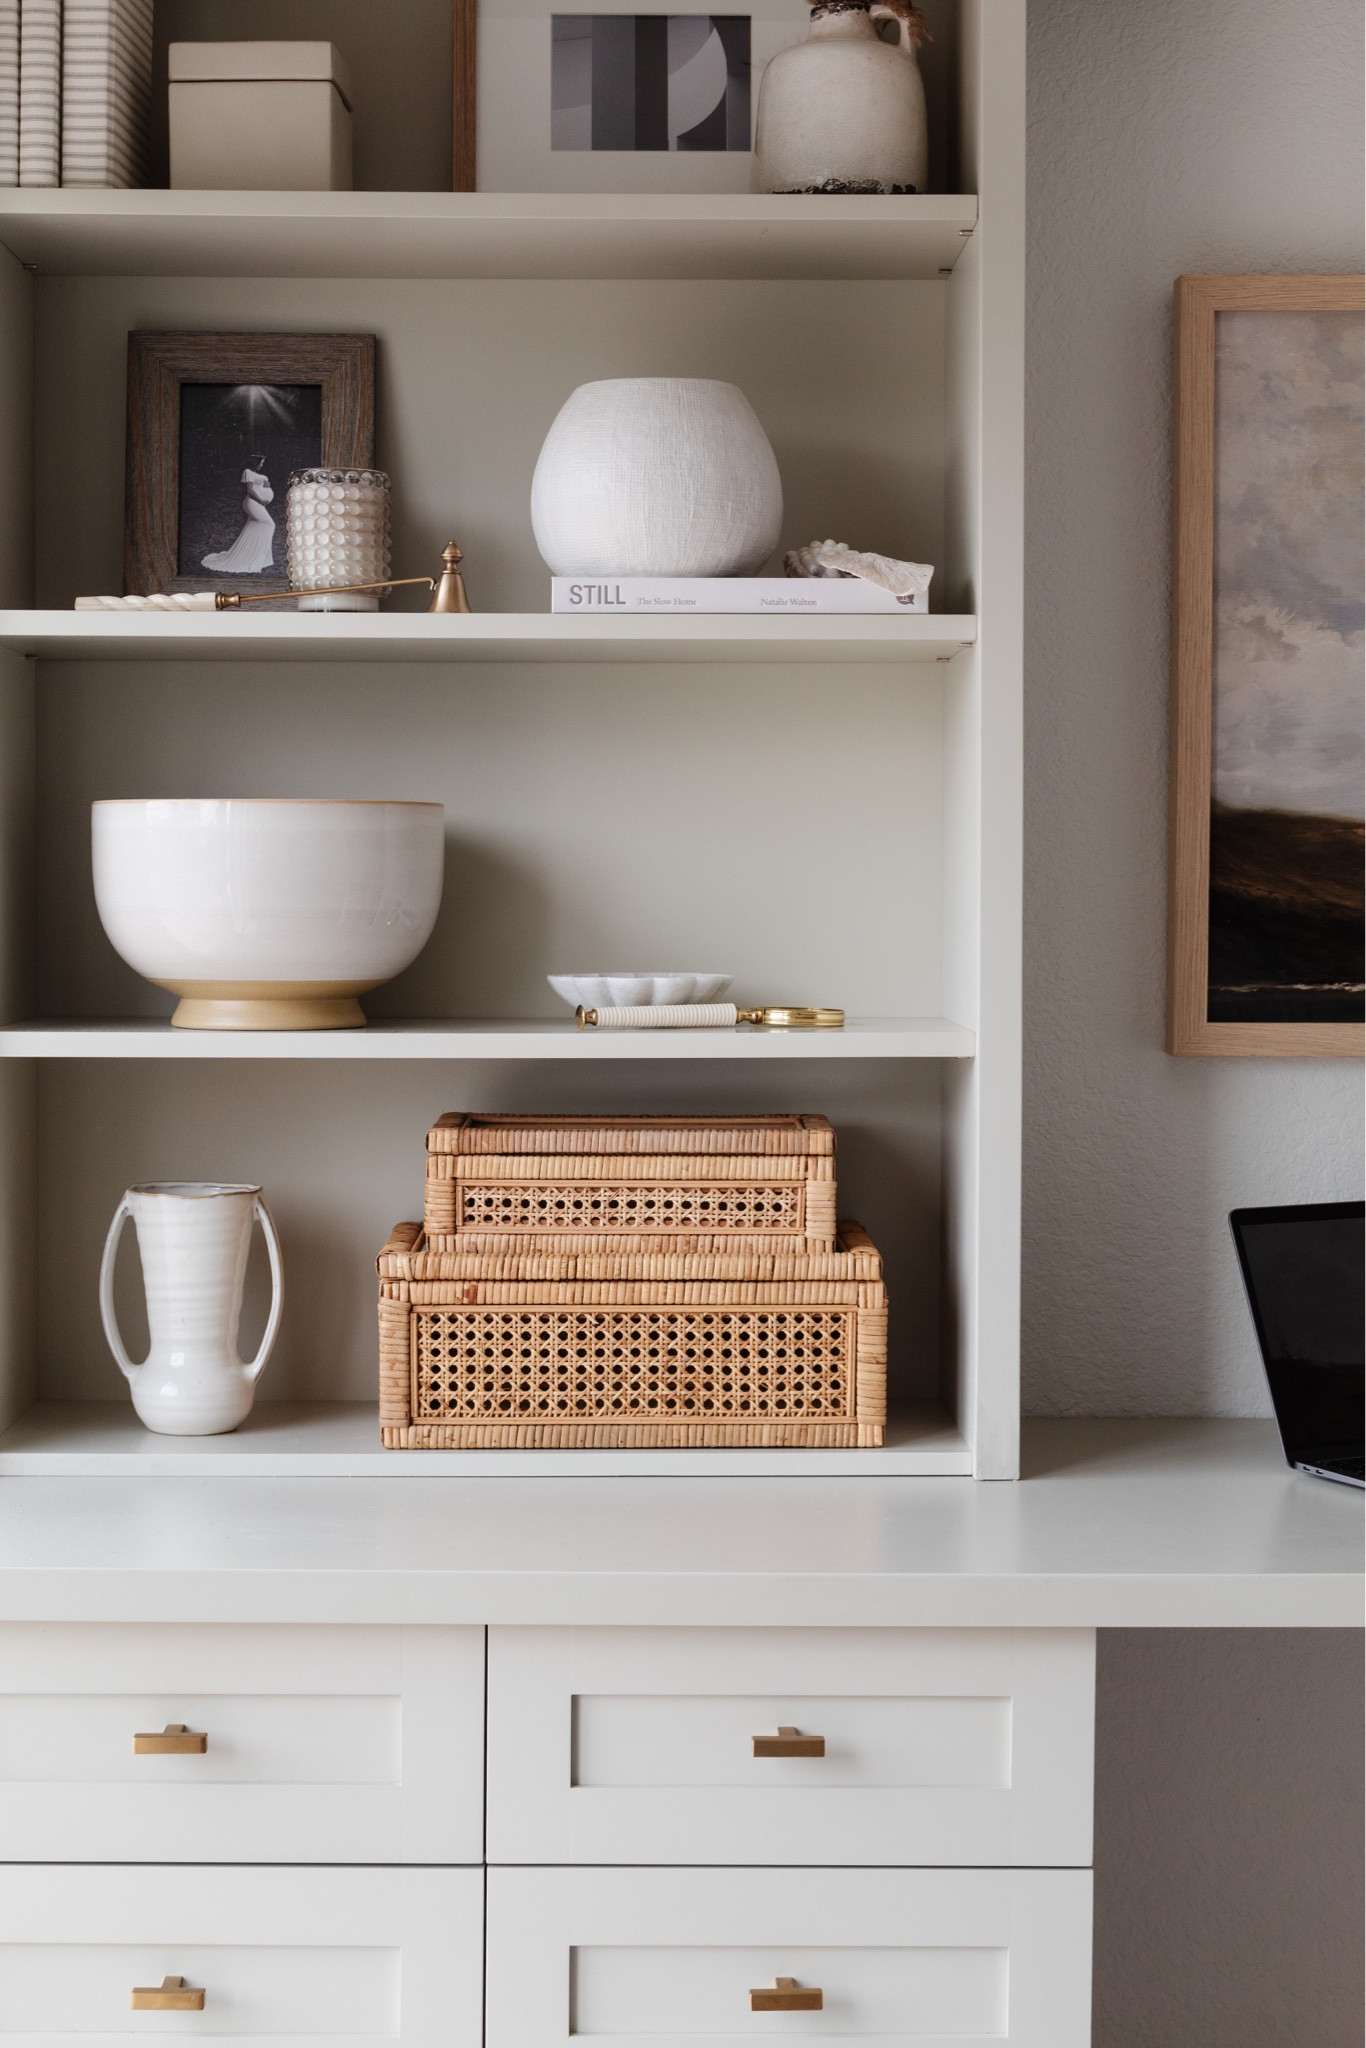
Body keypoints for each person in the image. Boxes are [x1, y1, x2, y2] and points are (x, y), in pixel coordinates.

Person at [202, 464, 276, 573]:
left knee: (253, 525)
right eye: (259, 460)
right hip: (253, 502)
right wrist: (260, 500)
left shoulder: (259, 474)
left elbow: (262, 485)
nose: (260, 463)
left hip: (259, 503)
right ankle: (254, 556)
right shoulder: (247, 472)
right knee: (269, 524)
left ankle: (259, 556)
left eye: (262, 461)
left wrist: (267, 486)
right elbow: (250, 490)